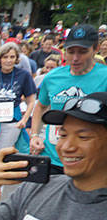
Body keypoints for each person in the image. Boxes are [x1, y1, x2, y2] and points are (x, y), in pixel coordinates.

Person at [30, 25, 107, 169]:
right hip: (52, 158)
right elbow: (41, 106)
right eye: (70, 52)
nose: (75, 58)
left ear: (95, 49)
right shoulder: (53, 77)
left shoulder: (105, 76)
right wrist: (35, 135)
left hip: (91, 163)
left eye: (83, 52)